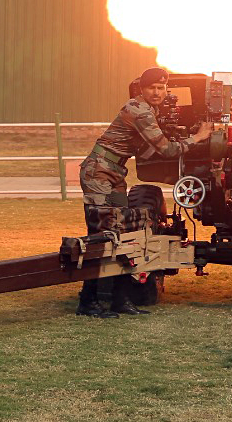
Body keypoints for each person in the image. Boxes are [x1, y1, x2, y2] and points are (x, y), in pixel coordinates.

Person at [77, 66, 211, 318]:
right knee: (102, 237)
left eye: (162, 88)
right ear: (142, 89)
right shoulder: (138, 110)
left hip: (114, 172)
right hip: (99, 172)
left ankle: (120, 300)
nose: (158, 92)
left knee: (123, 235)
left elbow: (148, 149)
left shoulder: (150, 110)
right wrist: (199, 137)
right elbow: (166, 150)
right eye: (152, 88)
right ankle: (87, 302)